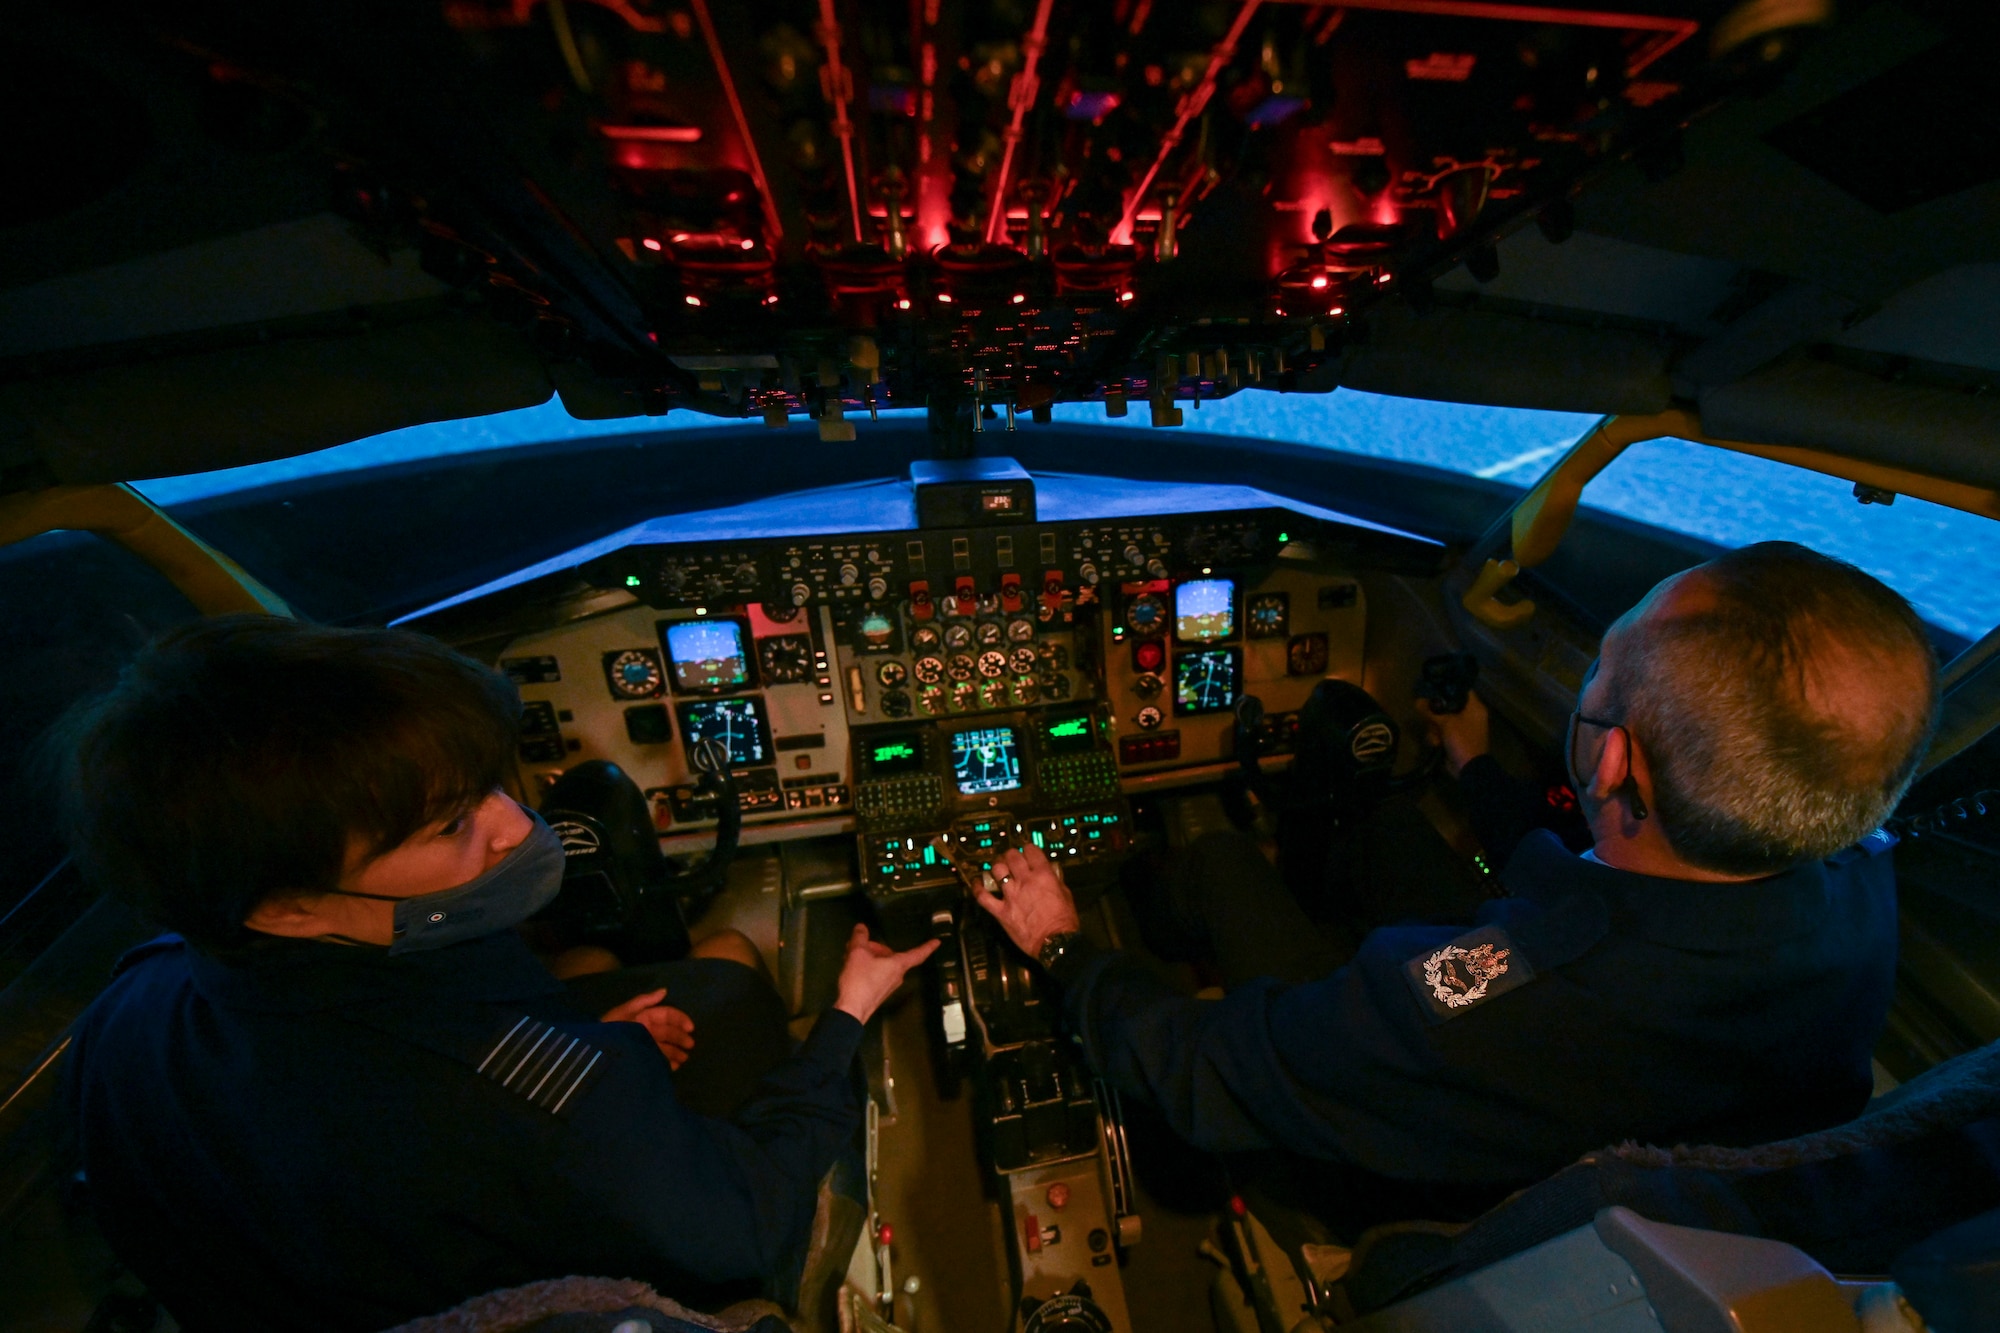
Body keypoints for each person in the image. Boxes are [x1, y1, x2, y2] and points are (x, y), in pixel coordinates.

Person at [970, 543, 1938, 1226]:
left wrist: (1064, 948)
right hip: (1619, 1122)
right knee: (1381, 826)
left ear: (1609, 770)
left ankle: (1154, 908)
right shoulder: (1852, 873)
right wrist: (1476, 767)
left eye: (1593, 677)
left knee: (1219, 864)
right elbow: (1594, 895)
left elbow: (1204, 1071)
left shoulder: (1475, 1002)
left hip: (1416, 1193)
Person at [54, 615, 937, 1331]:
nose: (514, 825)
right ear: (285, 907)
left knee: (590, 961)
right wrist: (846, 1017)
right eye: (449, 827)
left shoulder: (133, 999)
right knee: (731, 966)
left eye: (490, 779)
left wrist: (593, 1047)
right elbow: (746, 1231)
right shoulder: (550, 1098)